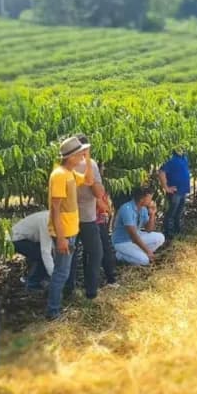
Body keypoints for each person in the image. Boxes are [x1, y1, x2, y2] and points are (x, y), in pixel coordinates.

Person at [46, 136, 92, 320]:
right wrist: (61, 237)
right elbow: (55, 208)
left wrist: (88, 159)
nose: (82, 155)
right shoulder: (59, 176)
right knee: (61, 273)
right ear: (71, 156)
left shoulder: (70, 173)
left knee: (64, 272)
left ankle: (56, 307)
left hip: (71, 231)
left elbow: (89, 180)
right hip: (63, 232)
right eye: (80, 153)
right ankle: (53, 311)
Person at [69, 134, 117, 299]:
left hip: (69, 218)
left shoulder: (63, 165)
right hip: (87, 218)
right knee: (95, 253)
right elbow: (97, 192)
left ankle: (69, 292)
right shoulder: (89, 164)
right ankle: (91, 292)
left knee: (71, 255)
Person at [113, 186, 166, 266]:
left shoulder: (143, 209)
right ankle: (120, 255)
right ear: (142, 199)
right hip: (122, 241)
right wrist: (148, 251)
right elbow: (133, 236)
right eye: (149, 198)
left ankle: (137, 253)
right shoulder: (126, 209)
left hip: (136, 237)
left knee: (160, 237)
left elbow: (149, 230)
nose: (151, 200)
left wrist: (152, 214)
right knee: (144, 261)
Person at [11, 210, 55, 291]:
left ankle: (40, 278)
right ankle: (32, 284)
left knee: (47, 255)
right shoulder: (47, 221)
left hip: (30, 239)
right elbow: (45, 251)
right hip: (17, 239)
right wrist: (55, 276)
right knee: (41, 255)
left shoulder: (53, 217)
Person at [158, 148, 192, 240]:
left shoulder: (184, 157)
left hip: (183, 190)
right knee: (171, 212)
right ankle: (168, 233)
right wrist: (166, 187)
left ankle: (177, 230)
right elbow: (161, 172)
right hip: (174, 191)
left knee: (179, 212)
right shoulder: (170, 158)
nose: (181, 149)